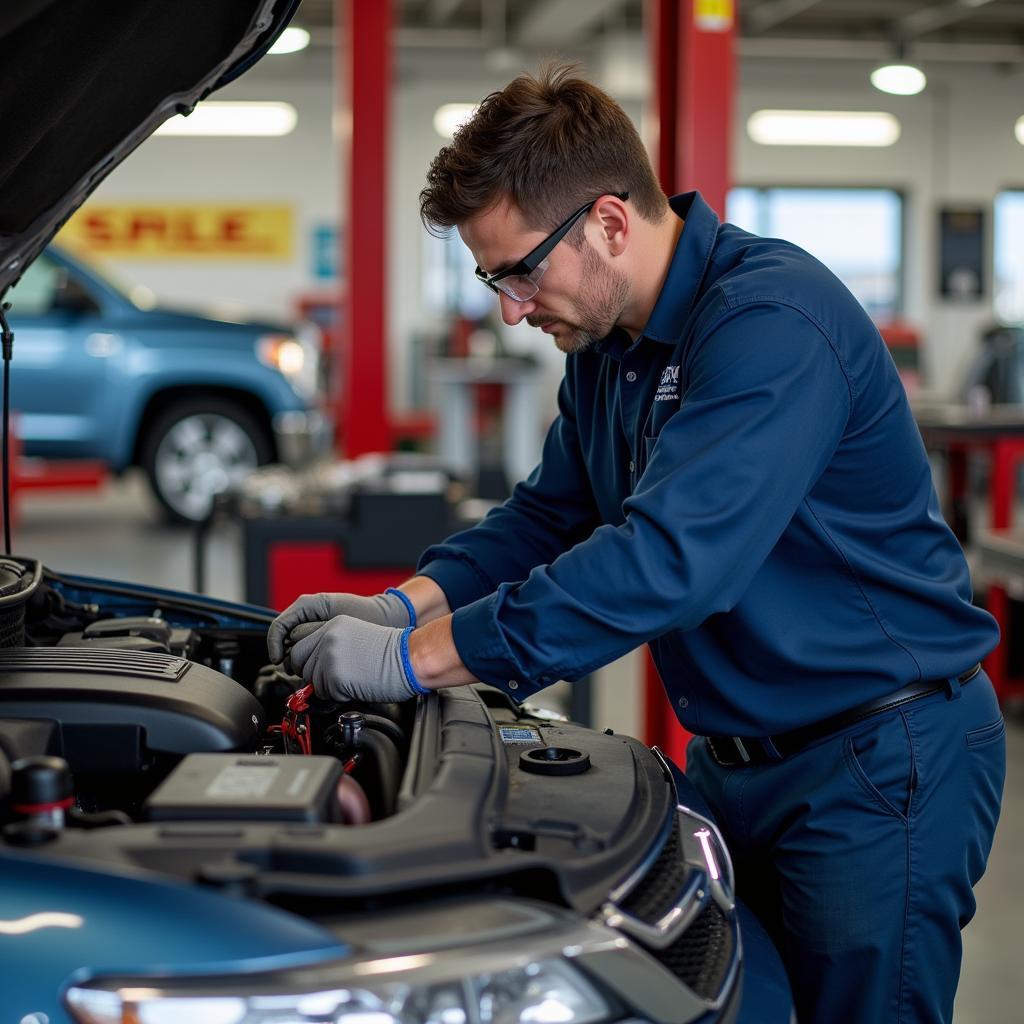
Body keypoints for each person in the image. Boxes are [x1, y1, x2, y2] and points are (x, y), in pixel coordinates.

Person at [268, 64, 1005, 1024]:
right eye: (494, 279)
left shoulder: (768, 323)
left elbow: (667, 563)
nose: (512, 310)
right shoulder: (611, 350)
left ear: (610, 222)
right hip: (743, 759)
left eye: (519, 271)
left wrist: (411, 663)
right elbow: (544, 522)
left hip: (876, 760)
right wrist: (400, 605)